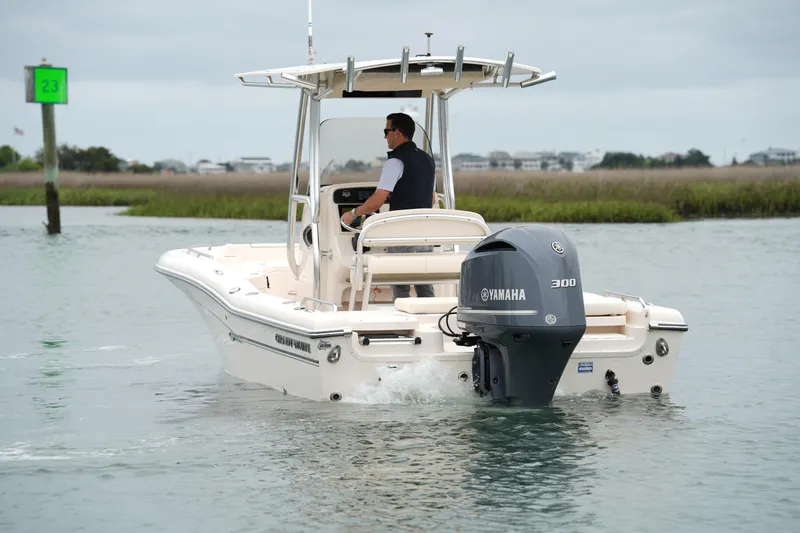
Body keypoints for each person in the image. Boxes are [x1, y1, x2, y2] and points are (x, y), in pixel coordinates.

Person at [341, 112, 438, 301]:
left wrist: (353, 214)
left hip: (402, 234)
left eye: (386, 131)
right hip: (425, 235)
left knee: (400, 282)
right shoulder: (428, 160)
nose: (384, 136)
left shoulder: (395, 162)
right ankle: (427, 316)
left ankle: (402, 317)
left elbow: (377, 200)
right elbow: (432, 199)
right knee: (424, 282)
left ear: (398, 133)